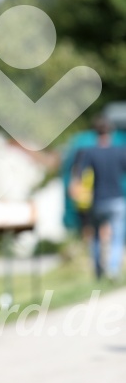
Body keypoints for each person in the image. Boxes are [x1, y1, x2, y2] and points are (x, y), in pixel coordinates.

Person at [73, 116, 126, 280]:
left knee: (95, 237)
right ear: (111, 132)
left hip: (97, 201)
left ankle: (98, 271)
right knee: (117, 236)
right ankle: (113, 269)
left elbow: (79, 174)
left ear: (95, 133)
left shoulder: (89, 152)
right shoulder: (119, 151)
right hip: (117, 199)